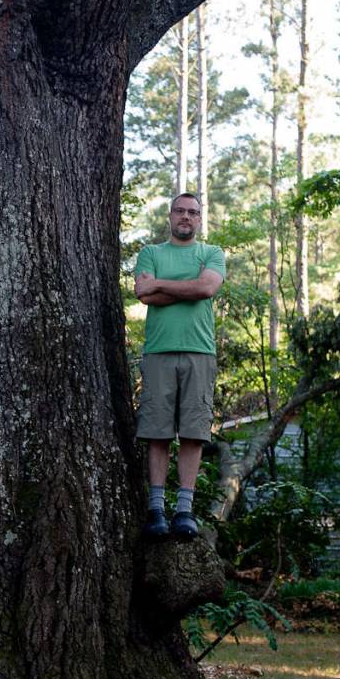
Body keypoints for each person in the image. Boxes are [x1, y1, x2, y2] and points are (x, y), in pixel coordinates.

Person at [134, 193, 225, 539]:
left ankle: (184, 511)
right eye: (180, 211)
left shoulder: (211, 253)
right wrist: (188, 286)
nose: (186, 216)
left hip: (200, 352)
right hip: (158, 351)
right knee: (157, 433)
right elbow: (144, 295)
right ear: (170, 216)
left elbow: (207, 288)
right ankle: (156, 510)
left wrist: (159, 283)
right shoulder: (151, 253)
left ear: (200, 219)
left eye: (193, 212)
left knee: (193, 433)